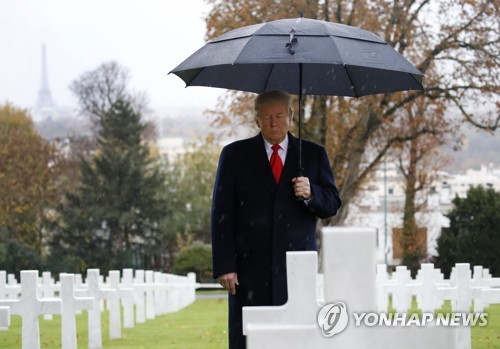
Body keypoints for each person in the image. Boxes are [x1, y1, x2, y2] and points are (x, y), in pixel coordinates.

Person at [211, 90, 342, 349]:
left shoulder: (313, 155)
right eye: (267, 116)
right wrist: (225, 265)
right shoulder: (234, 155)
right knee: (249, 339)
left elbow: (332, 205)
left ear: (291, 117)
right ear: (256, 120)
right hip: (248, 270)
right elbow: (221, 213)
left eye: (280, 115)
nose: (274, 122)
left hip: (296, 268)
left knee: (295, 339)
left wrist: (312, 192)